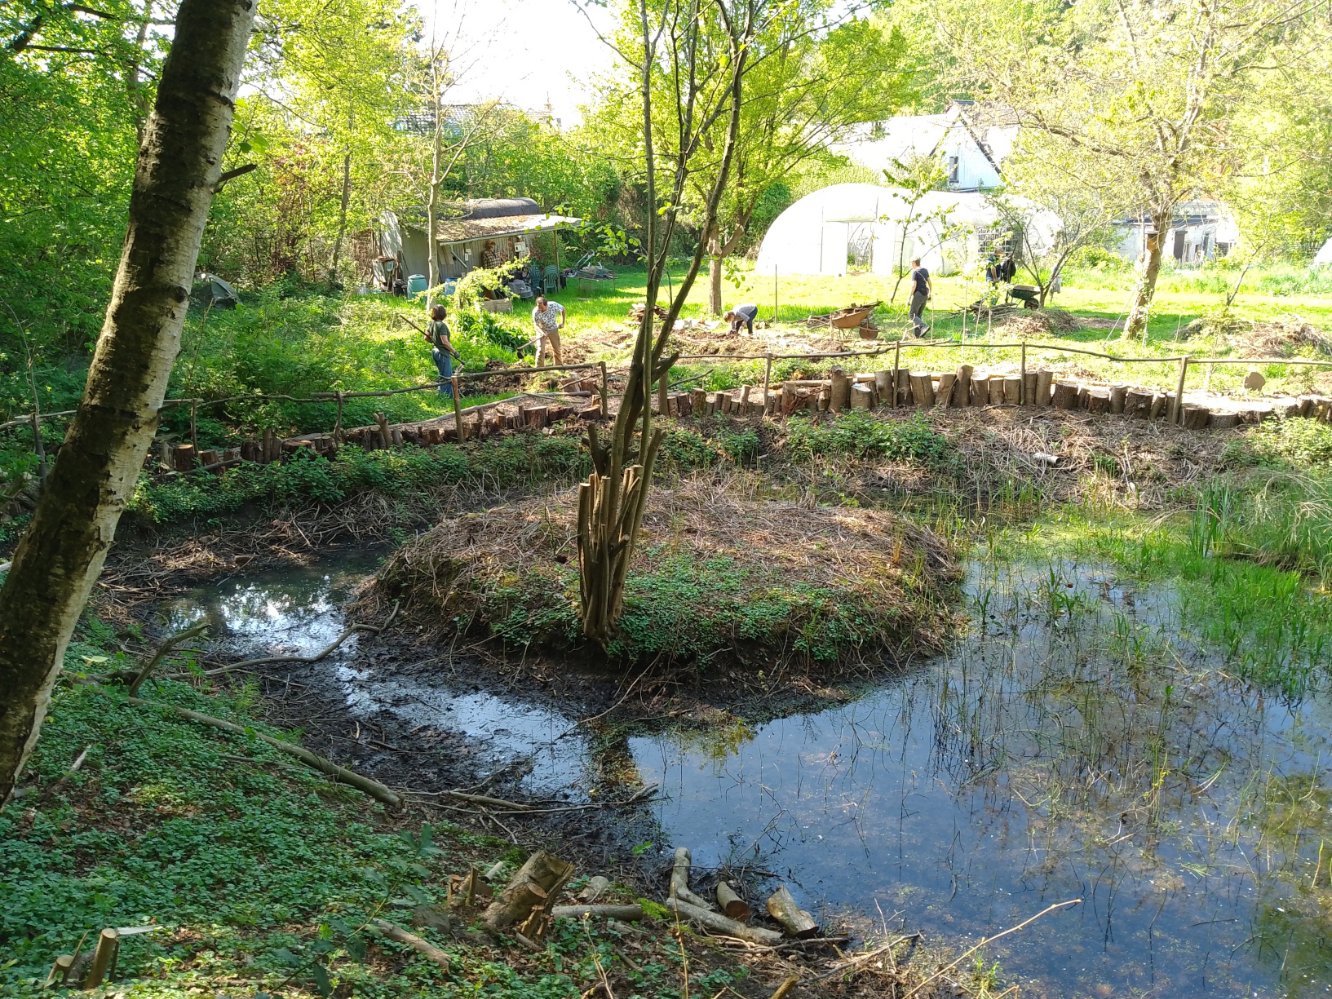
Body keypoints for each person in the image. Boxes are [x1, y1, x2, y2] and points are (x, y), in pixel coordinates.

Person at [424, 304, 459, 396]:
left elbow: (426, 338)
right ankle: (446, 396)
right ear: (443, 314)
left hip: (435, 351)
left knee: (442, 373)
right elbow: (445, 342)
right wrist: (454, 351)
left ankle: (441, 393)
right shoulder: (441, 325)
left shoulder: (431, 324)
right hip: (442, 353)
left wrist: (435, 341)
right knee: (446, 376)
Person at [532, 295, 565, 365]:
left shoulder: (553, 305)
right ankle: (539, 368)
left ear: (546, 305)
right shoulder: (536, 312)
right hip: (541, 329)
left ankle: (558, 365)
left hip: (553, 328)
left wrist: (562, 322)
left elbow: (563, 309)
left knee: (557, 348)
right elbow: (536, 325)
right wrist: (542, 332)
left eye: (541, 308)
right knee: (540, 349)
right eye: (538, 307)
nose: (540, 309)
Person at [908, 258, 931, 337]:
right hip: (925, 294)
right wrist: (930, 293)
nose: (911, 265)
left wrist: (909, 297)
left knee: (912, 314)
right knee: (918, 315)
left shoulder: (915, 272)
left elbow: (914, 285)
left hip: (918, 294)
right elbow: (930, 282)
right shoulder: (925, 270)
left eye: (912, 263)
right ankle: (918, 334)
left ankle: (924, 326)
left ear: (914, 263)